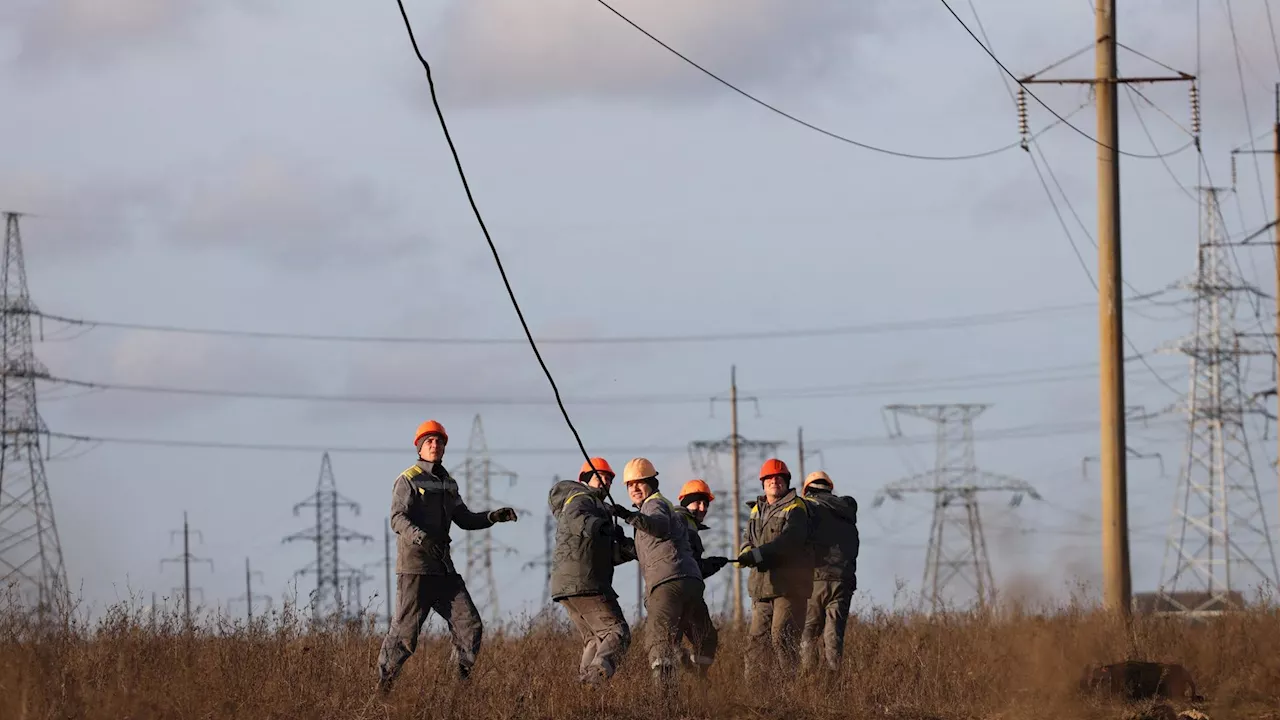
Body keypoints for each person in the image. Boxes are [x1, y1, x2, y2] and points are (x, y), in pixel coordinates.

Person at [376, 420, 519, 694]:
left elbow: (464, 519)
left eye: (439, 441)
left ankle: (456, 690)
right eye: (429, 440)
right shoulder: (408, 479)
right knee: (405, 636)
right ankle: (383, 689)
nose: (435, 444)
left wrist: (492, 517)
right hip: (416, 570)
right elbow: (397, 519)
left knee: (470, 626)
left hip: (444, 572)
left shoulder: (449, 483)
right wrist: (422, 538)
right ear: (418, 446)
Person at [611, 457, 704, 690]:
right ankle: (700, 685)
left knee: (657, 639)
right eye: (629, 485)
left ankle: (663, 703)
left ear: (652, 482)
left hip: (668, 581)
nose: (634, 488)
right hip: (688, 581)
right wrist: (622, 541)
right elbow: (649, 549)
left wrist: (628, 515)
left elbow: (659, 526)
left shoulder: (654, 505)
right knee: (674, 642)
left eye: (639, 482)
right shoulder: (651, 511)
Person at [547, 457, 637, 684]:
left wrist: (629, 551)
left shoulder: (596, 508)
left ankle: (582, 692)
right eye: (600, 477)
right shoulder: (580, 499)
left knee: (594, 640)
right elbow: (580, 521)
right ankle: (595, 678)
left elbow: (602, 553)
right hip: (586, 582)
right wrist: (604, 527)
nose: (605, 482)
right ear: (585, 479)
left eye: (608, 479)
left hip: (567, 585)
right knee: (617, 632)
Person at [736, 458, 814, 681]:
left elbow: (790, 541)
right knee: (756, 643)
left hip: (789, 588)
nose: (774, 481)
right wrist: (746, 551)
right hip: (761, 588)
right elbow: (747, 537)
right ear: (763, 483)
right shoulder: (756, 510)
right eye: (769, 478)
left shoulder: (796, 507)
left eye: (779, 478)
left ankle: (789, 692)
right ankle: (755, 693)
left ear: (787, 482)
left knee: (782, 638)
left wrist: (759, 554)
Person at [799, 470, 859, 675]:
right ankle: (833, 684)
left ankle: (809, 683)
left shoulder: (807, 507)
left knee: (808, 634)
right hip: (843, 580)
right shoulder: (846, 512)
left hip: (816, 578)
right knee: (834, 636)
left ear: (807, 490)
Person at [673, 479, 729, 679]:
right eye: (697, 502)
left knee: (673, 639)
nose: (702, 508)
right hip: (685, 592)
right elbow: (690, 567)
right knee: (706, 638)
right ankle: (697, 677)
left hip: (667, 592)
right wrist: (711, 565)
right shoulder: (685, 523)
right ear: (685, 502)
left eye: (705, 504)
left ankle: (690, 672)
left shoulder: (677, 521)